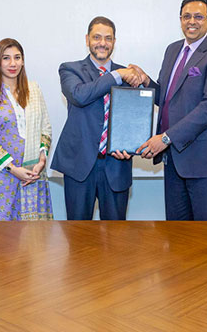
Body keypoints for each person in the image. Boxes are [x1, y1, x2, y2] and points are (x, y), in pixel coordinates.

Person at [135, 0, 207, 221]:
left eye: (199, 17)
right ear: (180, 19)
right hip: (174, 159)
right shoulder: (172, 50)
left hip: (205, 160)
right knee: (176, 233)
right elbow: (167, 98)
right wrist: (146, 82)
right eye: (187, 16)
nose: (192, 21)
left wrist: (166, 138)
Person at [51, 16, 146, 220]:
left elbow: (136, 117)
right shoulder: (70, 69)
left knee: (116, 234)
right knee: (78, 234)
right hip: (79, 165)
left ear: (114, 42)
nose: (102, 43)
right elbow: (79, 95)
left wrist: (131, 147)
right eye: (97, 37)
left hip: (117, 166)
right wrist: (117, 75)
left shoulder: (129, 76)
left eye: (108, 38)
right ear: (87, 39)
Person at [0, 38, 53, 221]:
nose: (13, 63)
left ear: (23, 61)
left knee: (34, 234)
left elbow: (46, 128)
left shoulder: (34, 90)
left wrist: (42, 160)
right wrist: (13, 168)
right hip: (1, 175)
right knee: (1, 234)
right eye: (6, 58)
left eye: (17, 58)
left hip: (33, 173)